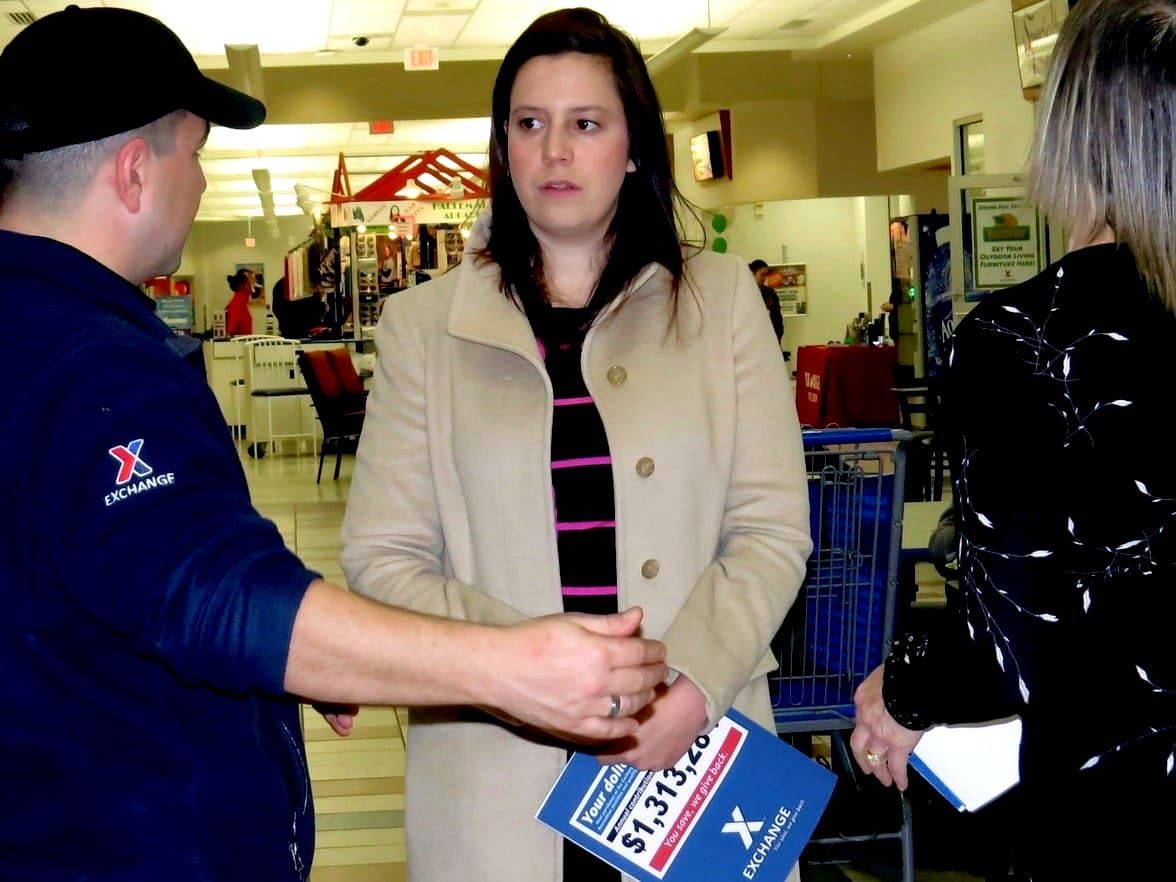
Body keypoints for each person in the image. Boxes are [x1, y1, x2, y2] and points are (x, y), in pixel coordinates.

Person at [0, 7, 670, 881]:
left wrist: (307, 655)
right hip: (116, 839)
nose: (198, 184)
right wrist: (510, 666)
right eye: (194, 152)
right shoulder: (95, 370)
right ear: (134, 171)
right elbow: (214, 595)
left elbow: (109, 574)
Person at [340, 9, 813, 882]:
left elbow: (772, 531)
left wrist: (693, 688)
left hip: (691, 758)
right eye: (530, 124)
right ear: (504, 147)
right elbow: (384, 556)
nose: (554, 150)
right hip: (495, 776)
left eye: (585, 124)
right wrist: (531, 673)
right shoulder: (421, 327)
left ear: (632, 147)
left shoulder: (719, 302)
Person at [850, 2, 1176, 878]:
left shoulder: (1023, 338)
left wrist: (902, 690)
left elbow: (1016, 634)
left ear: (1071, 130)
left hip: (1120, 815)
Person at [749, 257, 785, 347]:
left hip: (771, 337)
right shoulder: (745, 293)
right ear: (753, 274)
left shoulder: (770, 292)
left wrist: (778, 338)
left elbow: (777, 317)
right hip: (753, 339)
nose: (765, 278)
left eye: (766, 275)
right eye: (762, 275)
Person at [224, 267, 255, 336]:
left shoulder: (241, 303)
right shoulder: (236, 305)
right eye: (250, 281)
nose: (253, 284)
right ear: (242, 285)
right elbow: (230, 334)